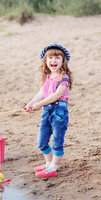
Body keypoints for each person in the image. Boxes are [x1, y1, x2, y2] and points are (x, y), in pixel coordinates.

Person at [25, 41, 73, 178]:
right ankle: (48, 163)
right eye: (50, 58)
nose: (54, 60)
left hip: (59, 112)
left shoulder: (64, 78)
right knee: (42, 141)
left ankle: (53, 168)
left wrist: (40, 104)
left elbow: (56, 95)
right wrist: (31, 103)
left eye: (57, 58)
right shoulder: (47, 77)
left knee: (57, 141)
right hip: (47, 112)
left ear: (63, 61)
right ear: (45, 61)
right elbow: (40, 93)